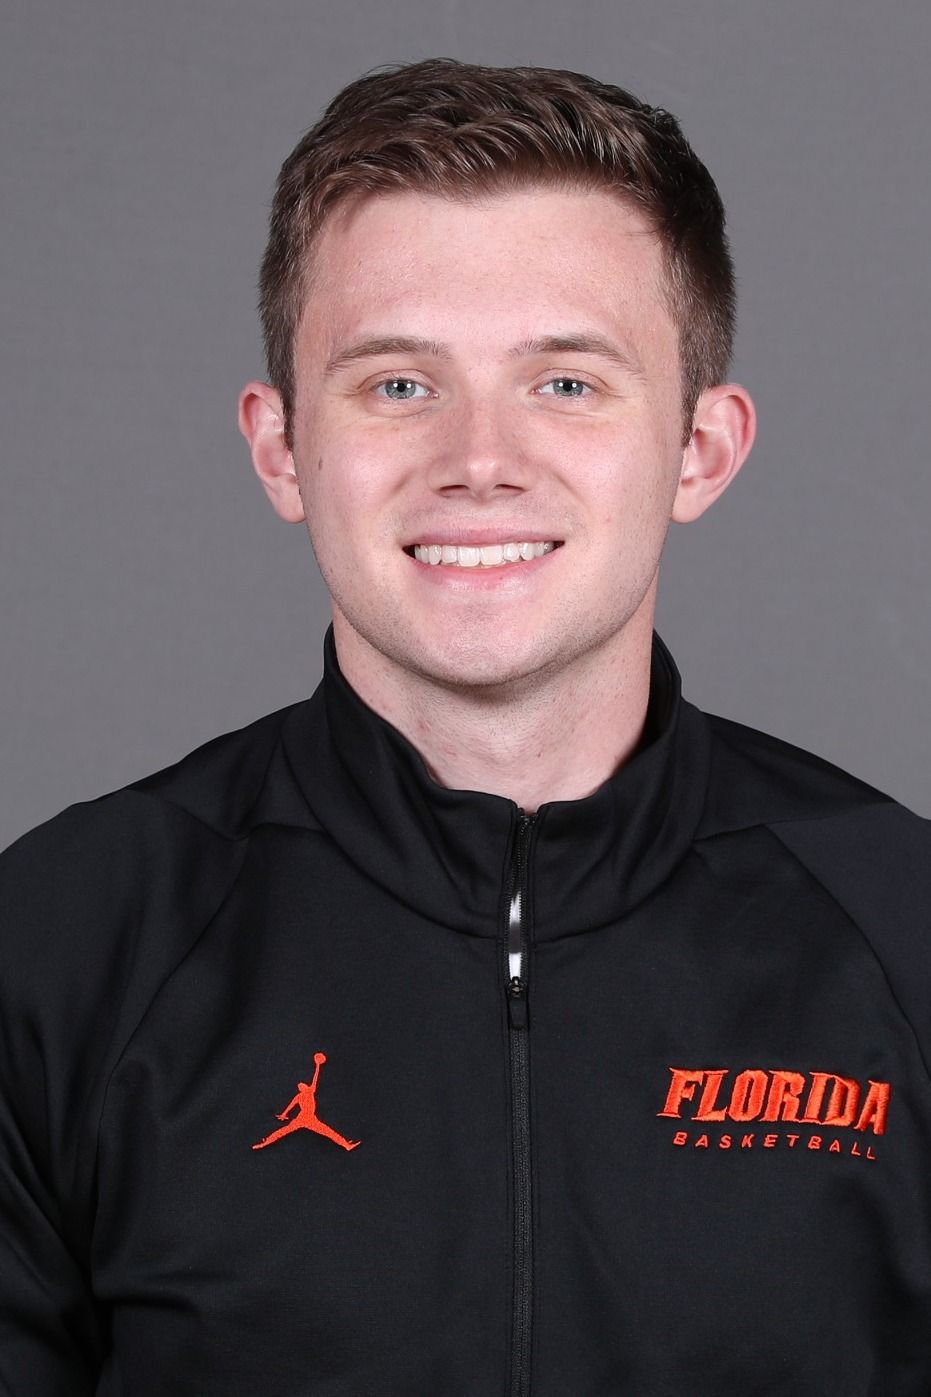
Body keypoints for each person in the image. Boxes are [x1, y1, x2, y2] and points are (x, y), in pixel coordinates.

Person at [1, 57, 929, 1396]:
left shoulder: (903, 934)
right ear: (281, 448)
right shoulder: (64, 945)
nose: (479, 462)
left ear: (700, 450)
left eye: (566, 384)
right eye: (397, 385)